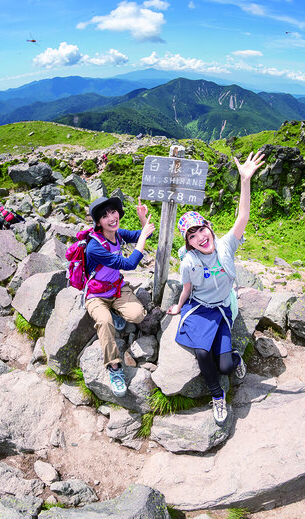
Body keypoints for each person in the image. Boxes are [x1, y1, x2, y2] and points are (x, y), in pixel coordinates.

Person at [167, 150, 265, 424]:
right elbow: (187, 287)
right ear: (188, 243)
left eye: (202, 229)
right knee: (201, 352)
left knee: (225, 365)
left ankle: (236, 358)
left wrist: (245, 180)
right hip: (200, 308)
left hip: (222, 308)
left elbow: (243, 215)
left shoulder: (225, 246)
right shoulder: (188, 261)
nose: (200, 237)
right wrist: (179, 305)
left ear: (209, 228)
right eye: (192, 235)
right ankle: (217, 395)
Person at [84, 196, 155, 397]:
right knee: (105, 323)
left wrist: (143, 219)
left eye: (113, 212)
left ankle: (115, 312)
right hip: (96, 295)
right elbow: (129, 264)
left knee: (138, 315)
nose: (111, 217)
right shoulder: (95, 246)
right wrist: (141, 240)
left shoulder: (117, 234)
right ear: (98, 222)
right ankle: (114, 368)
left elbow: (144, 235)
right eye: (104, 216)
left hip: (116, 287)